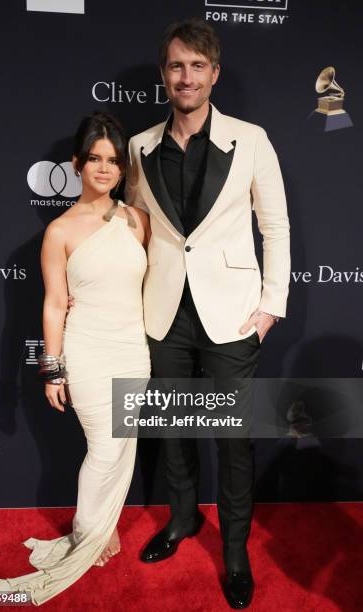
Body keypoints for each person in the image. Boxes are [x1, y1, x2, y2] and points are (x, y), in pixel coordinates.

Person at [125, 18, 290, 609]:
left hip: (232, 315)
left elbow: (274, 225)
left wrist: (271, 304)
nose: (186, 77)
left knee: (234, 439)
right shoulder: (140, 147)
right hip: (163, 312)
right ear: (163, 75)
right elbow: (137, 230)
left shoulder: (252, 139)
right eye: (176, 66)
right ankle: (181, 520)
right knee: (173, 429)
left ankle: (237, 549)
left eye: (197, 66)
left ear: (214, 74)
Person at [0, 112, 151, 605]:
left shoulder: (137, 220)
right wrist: (52, 368)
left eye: (114, 161)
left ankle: (103, 525)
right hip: (88, 351)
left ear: (123, 168)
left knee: (123, 448)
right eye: (95, 159)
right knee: (105, 448)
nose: (104, 169)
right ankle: (90, 532)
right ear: (77, 164)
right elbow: (55, 303)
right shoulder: (59, 231)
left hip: (133, 350)